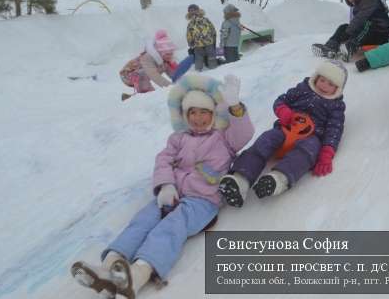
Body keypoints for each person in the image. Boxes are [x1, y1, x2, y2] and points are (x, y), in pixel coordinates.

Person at [71, 74, 255, 298]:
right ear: (185, 115)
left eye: (204, 112)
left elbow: (245, 134)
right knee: (142, 221)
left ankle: (139, 273)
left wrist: (235, 106)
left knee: (171, 227)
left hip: (203, 200)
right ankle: (111, 266)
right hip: (173, 193)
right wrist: (165, 185)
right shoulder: (178, 138)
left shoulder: (224, 138)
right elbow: (163, 160)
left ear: (213, 113)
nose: (198, 118)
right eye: (192, 112)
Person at [218, 60, 346, 206]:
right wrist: (283, 111)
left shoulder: (336, 106)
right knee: (265, 140)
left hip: (310, 137)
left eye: (330, 84)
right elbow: (281, 100)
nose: (324, 85)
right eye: (322, 80)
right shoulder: (303, 88)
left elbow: (334, 130)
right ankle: (240, 179)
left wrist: (326, 154)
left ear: (337, 89)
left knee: (307, 151)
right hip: (285, 129)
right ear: (316, 77)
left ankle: (278, 179)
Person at [311, 0, 389, 62]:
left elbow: (360, 19)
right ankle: (330, 47)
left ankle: (349, 48)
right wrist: (346, 31)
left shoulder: (371, 0)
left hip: (381, 34)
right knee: (344, 27)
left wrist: (347, 33)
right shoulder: (361, 1)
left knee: (366, 25)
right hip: (369, 32)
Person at [119, 30, 177, 97]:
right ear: (161, 52)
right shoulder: (148, 58)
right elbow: (155, 76)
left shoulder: (165, 61)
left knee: (165, 66)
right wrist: (170, 87)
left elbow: (175, 74)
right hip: (127, 74)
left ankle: (133, 95)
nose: (170, 56)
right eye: (167, 54)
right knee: (144, 76)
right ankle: (143, 92)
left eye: (171, 53)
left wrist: (181, 82)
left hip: (143, 73)